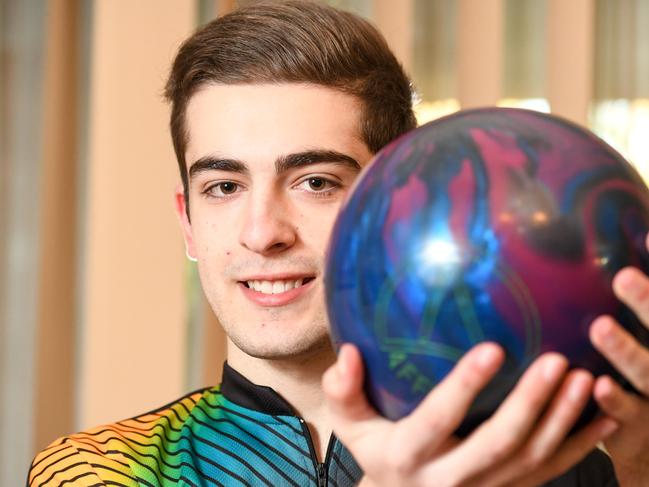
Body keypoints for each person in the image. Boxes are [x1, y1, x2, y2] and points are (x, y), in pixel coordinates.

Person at [28, 2, 649, 486]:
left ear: (399, 210)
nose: (262, 232)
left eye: (316, 182)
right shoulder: (99, 470)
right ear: (188, 221)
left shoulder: (546, 468)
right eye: (223, 186)